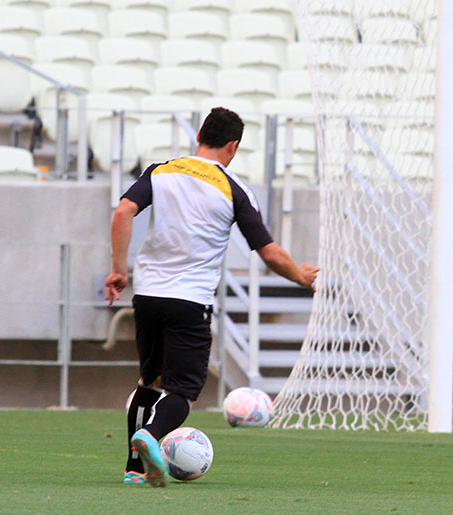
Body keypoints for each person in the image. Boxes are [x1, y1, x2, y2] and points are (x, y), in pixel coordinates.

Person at [105, 107, 319, 487]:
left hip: (148, 294)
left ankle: (134, 469)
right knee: (183, 391)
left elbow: (124, 210)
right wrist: (300, 276)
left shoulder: (161, 170)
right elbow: (268, 252)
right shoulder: (233, 188)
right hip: (189, 300)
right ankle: (151, 436)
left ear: (201, 133)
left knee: (149, 381)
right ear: (233, 147)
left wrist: (119, 269)